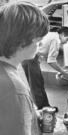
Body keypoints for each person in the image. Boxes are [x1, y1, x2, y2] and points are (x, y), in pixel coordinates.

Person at [0, 1, 49, 135]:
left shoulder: (8, 72)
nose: (41, 44)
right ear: (22, 41)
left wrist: (32, 116)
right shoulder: (15, 90)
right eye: (38, 40)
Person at [21, 26, 68, 109]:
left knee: (39, 83)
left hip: (30, 57)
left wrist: (61, 71)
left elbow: (45, 54)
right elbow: (51, 61)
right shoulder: (56, 40)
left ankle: (45, 106)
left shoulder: (51, 35)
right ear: (63, 34)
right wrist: (64, 73)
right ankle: (42, 109)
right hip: (30, 58)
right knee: (36, 85)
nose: (66, 43)